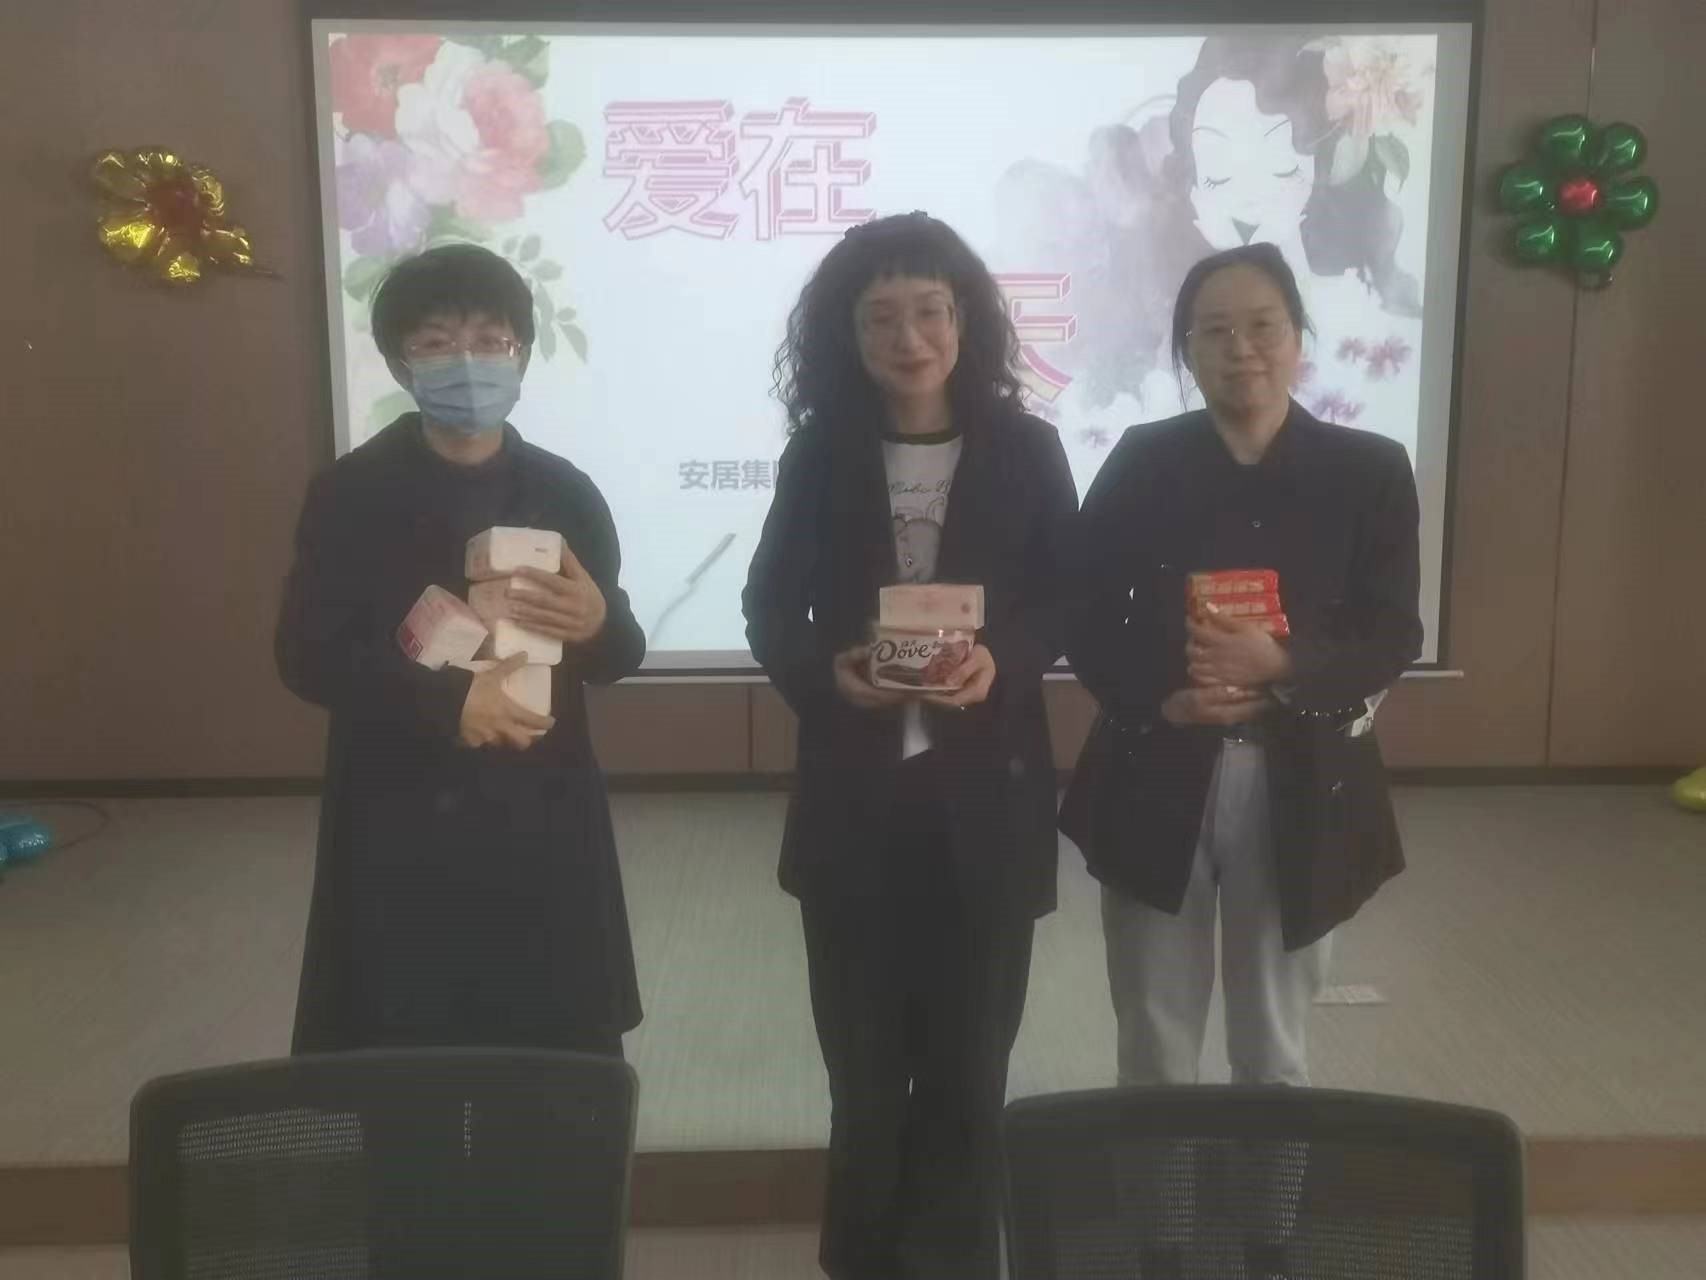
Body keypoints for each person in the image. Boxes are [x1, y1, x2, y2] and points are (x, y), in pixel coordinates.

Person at [744, 213, 1078, 1280]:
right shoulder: (819, 454)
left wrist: (1003, 660)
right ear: (845, 336)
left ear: (965, 321)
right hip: (855, 807)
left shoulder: (1026, 448)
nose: (909, 337)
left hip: (989, 806)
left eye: (929, 310)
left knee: (971, 1075)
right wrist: (824, 674)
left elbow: (1062, 595)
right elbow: (769, 605)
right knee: (863, 1078)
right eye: (880, 317)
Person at [1061, 242, 1420, 1089]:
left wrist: (1282, 661)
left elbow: (1392, 631)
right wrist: (1163, 700)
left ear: (1299, 336)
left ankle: (1270, 1183)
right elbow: (1082, 608)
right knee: (1154, 1031)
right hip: (1157, 762)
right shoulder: (1143, 459)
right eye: (1215, 331)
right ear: (1186, 350)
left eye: (1263, 326)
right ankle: (1163, 1182)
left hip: (1303, 771)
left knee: (1274, 1040)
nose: (1241, 349)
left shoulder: (1369, 469)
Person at [277, 243, 645, 1057]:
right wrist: (448, 700)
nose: (469, 363)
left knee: (553, 1061)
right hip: (399, 813)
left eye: (491, 340)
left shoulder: (565, 491)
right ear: (398, 363)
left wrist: (598, 624)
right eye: (438, 343)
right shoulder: (351, 492)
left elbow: (618, 654)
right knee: (404, 1055)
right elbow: (306, 655)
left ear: (523, 354)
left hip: (542, 809)